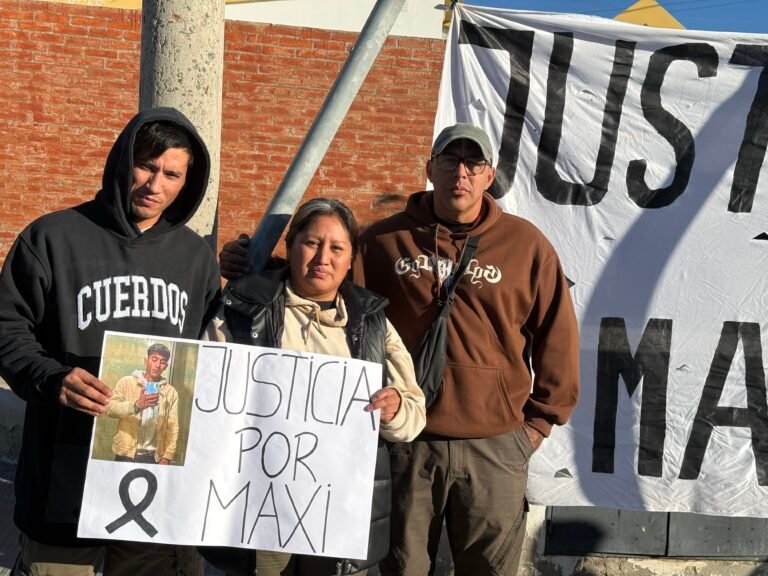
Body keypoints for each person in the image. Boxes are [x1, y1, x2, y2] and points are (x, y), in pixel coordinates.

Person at [219, 123, 579, 575]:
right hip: (408, 445)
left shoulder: (526, 246)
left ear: (490, 176)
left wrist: (537, 426)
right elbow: (326, 283)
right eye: (449, 161)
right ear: (430, 168)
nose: (461, 173)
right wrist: (255, 266)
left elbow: (557, 336)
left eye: (473, 163)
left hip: (494, 446)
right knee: (402, 568)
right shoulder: (384, 241)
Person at [0, 108, 221, 575]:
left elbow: (213, 353)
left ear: (188, 182)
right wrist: (52, 378)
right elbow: (7, 328)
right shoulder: (52, 237)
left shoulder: (196, 258)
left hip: (155, 495)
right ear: (123, 161)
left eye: (172, 174)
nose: (154, 184)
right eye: (146, 166)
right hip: (63, 484)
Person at [205, 197, 426, 576]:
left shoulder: (372, 323)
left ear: (351, 258)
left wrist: (394, 410)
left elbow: (413, 414)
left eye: (337, 248)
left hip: (336, 513)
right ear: (290, 246)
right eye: (311, 243)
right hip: (260, 512)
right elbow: (206, 389)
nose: (323, 258)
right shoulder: (244, 310)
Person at [106, 343, 179, 465]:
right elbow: (110, 409)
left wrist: (167, 456)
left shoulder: (170, 392)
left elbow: (173, 426)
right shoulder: (126, 382)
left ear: (166, 366)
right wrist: (136, 406)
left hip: (154, 457)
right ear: (146, 361)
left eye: (162, 362)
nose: (157, 365)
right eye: (154, 359)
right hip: (125, 453)